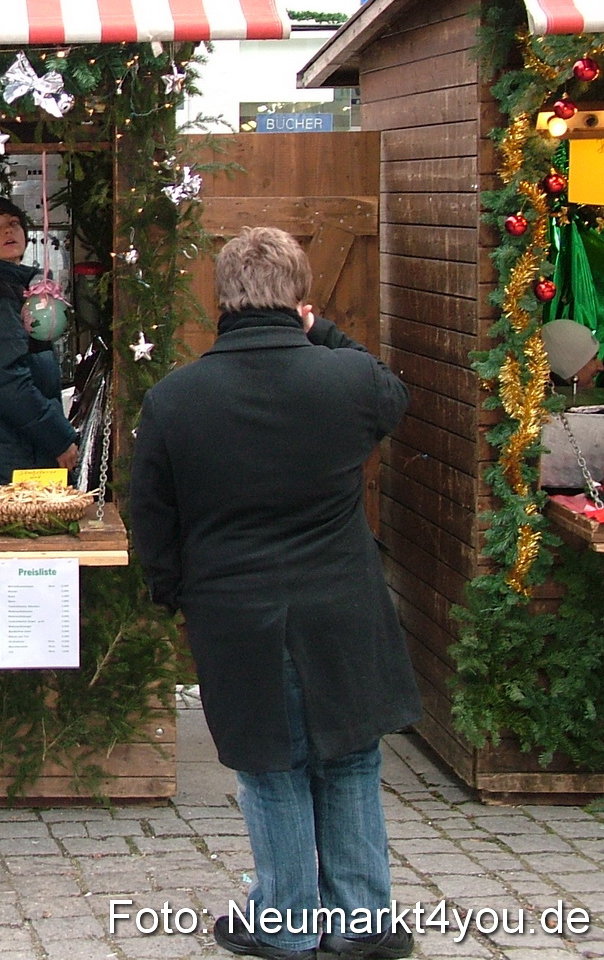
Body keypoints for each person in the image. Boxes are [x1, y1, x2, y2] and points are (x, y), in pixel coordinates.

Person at [130, 226, 418, 960]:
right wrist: (324, 333)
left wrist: (170, 595)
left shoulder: (173, 399)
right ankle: (359, 922)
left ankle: (285, 921)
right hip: (340, 604)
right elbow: (392, 393)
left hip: (235, 612)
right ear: (299, 301)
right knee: (351, 757)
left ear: (220, 298)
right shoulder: (345, 380)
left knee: (270, 765)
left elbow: (151, 519)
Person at [0, 195, 79, 484]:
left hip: (16, 458)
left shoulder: (17, 291)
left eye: (14, 223)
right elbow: (3, 380)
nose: (8, 231)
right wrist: (57, 437)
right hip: (7, 466)